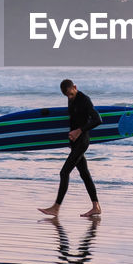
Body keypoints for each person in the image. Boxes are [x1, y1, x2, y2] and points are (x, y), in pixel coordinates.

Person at [39, 79, 103, 218]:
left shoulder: (84, 100)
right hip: (75, 143)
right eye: (67, 95)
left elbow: (98, 119)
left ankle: (56, 208)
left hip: (82, 141)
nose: (69, 97)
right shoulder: (71, 99)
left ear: (75, 87)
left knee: (64, 172)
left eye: (71, 94)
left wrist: (79, 131)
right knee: (84, 174)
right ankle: (96, 206)